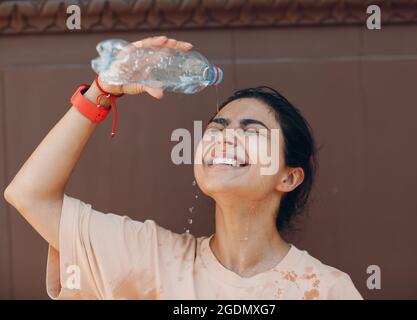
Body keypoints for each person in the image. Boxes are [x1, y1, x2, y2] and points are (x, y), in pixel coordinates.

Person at [4, 35, 362, 300]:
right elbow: (28, 195)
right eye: (217, 128)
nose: (225, 137)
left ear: (289, 176)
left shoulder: (327, 289)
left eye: (251, 130)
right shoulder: (150, 258)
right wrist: (102, 91)